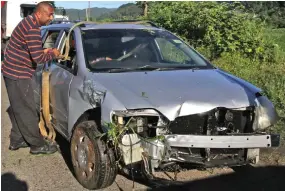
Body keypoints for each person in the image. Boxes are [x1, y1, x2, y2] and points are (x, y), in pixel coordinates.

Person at [1, 2, 60, 155]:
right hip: (18, 73)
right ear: (39, 14)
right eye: (49, 14)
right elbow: (39, 58)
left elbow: (32, 49)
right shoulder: (33, 29)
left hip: (11, 71)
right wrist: (53, 53)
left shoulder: (28, 22)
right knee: (27, 109)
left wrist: (43, 50)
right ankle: (37, 144)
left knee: (18, 108)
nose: (51, 17)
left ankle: (17, 140)